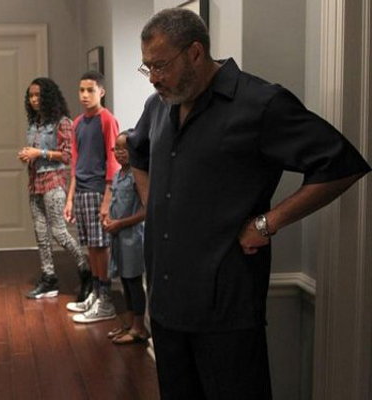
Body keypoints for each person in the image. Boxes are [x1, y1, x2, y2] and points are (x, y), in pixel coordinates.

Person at [128, 8, 371, 400]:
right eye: (148, 67)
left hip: (226, 309)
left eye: (160, 65)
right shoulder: (158, 106)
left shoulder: (260, 103)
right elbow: (137, 153)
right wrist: (154, 204)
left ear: (195, 52)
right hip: (166, 305)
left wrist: (267, 223)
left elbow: (339, 163)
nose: (153, 78)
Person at [17, 77, 91, 300]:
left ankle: (86, 270)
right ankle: (49, 278)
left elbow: (67, 156)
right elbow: (36, 152)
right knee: (41, 234)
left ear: (48, 96)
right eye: (31, 96)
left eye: (38, 95)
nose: (34, 100)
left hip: (54, 182)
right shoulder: (35, 123)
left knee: (59, 232)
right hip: (35, 183)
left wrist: (39, 153)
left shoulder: (62, 122)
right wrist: (27, 155)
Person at [64, 71, 120, 323]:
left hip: (99, 190)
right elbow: (75, 164)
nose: (85, 95)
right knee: (91, 246)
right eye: (81, 90)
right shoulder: (77, 123)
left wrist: (107, 199)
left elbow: (113, 162)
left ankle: (105, 300)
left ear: (101, 92)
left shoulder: (107, 120)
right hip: (82, 191)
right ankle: (96, 293)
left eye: (90, 90)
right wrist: (70, 199)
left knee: (101, 245)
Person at [102, 131, 149, 344]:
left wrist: (120, 224)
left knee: (133, 282)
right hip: (118, 238)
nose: (120, 153)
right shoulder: (118, 175)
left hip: (132, 238)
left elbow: (146, 210)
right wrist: (108, 219)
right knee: (124, 281)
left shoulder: (137, 176)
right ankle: (129, 324)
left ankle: (139, 328)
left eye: (125, 149)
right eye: (117, 148)